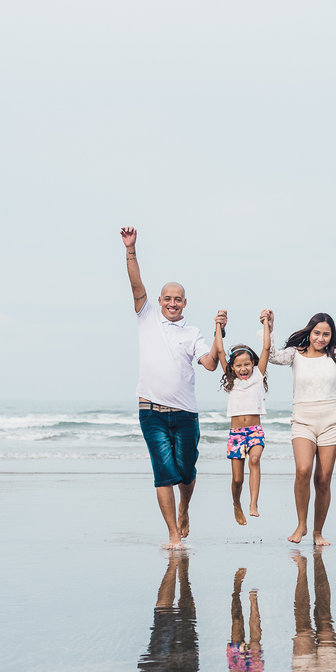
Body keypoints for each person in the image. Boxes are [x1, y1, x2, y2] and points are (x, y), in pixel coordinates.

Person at [122, 226, 222, 549]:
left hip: (185, 414)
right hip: (150, 410)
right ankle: (173, 535)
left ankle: (184, 507)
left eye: (178, 299)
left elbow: (210, 364)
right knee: (164, 472)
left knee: (187, 472)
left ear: (185, 303)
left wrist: (220, 331)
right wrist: (131, 249)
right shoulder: (147, 316)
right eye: (168, 298)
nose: (172, 303)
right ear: (160, 301)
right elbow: (137, 284)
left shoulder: (193, 333)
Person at [265, 280, 336, 545]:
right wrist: (269, 328)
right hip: (302, 419)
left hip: (329, 421)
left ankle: (318, 532)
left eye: (325, 334)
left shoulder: (335, 354)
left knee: (323, 479)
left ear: (331, 336)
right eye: (316, 333)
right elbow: (270, 356)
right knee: (303, 470)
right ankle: (301, 525)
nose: (320, 338)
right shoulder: (295, 354)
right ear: (310, 332)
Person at [211, 313, 271, 525]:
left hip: (255, 430)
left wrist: (264, 322)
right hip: (236, 434)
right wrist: (218, 325)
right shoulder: (232, 379)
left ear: (253, 364)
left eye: (247, 364)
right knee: (237, 479)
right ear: (232, 367)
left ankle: (253, 503)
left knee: (254, 460)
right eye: (238, 365)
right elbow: (219, 350)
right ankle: (236, 503)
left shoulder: (257, 375)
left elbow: (266, 347)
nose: (243, 368)